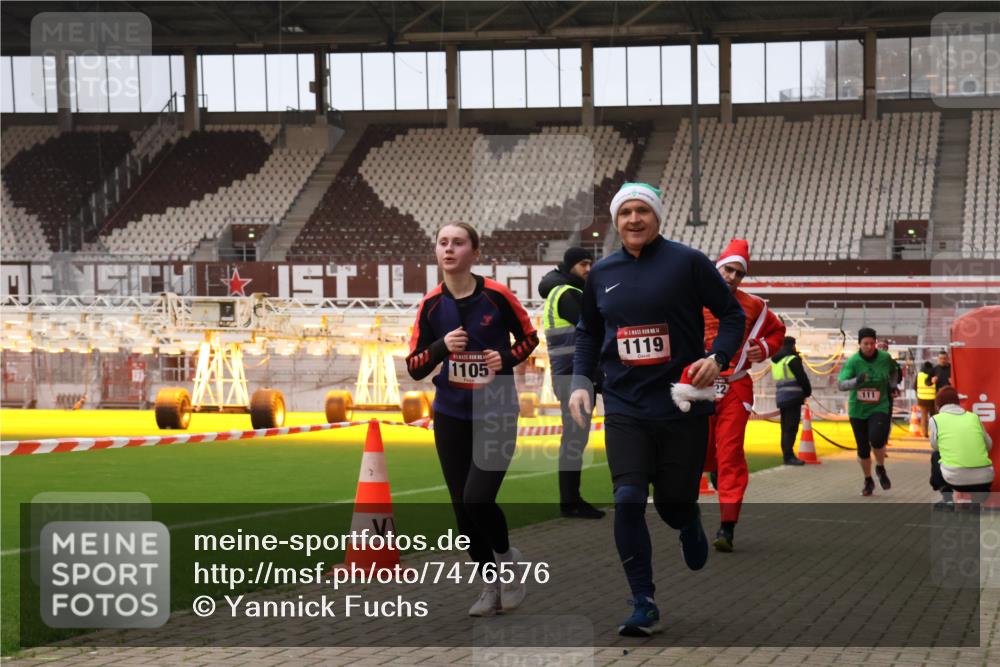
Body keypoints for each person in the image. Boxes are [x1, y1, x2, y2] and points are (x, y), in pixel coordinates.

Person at [567, 182, 745, 636]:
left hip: (679, 405)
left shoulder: (687, 262)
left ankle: (688, 522)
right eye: (624, 212)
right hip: (625, 405)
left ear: (657, 216)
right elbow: (588, 332)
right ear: (615, 220)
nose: (633, 219)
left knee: (670, 505)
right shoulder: (602, 273)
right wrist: (582, 381)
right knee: (627, 499)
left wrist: (717, 358)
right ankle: (643, 600)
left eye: (641, 210)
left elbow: (731, 316)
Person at [406, 222, 539, 617]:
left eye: (458, 243)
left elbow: (531, 338)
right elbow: (414, 367)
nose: (449, 249)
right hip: (450, 414)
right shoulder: (431, 305)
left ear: (475, 252)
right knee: (462, 510)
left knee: (478, 497)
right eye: (443, 243)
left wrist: (508, 359)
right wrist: (440, 346)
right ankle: (488, 584)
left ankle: (508, 562)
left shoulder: (497, 296)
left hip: (496, 409)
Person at [702, 239, 786, 553]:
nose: (732, 277)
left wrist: (763, 348)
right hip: (698, 388)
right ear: (717, 268)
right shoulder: (692, 298)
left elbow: (778, 331)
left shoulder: (754, 306)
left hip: (735, 387)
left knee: (731, 452)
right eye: (728, 269)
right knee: (701, 450)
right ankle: (713, 470)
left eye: (738, 273)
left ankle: (727, 525)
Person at [538, 246, 605, 519]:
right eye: (582, 264)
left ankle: (571, 500)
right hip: (572, 376)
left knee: (574, 439)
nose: (588, 269)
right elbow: (592, 328)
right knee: (574, 440)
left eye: (590, 263)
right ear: (569, 266)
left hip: (570, 375)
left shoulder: (566, 291)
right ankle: (570, 501)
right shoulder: (567, 294)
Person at [837, 327, 901, 496]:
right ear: (859, 344)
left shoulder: (885, 358)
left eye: (872, 343)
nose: (869, 346)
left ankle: (880, 467)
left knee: (877, 439)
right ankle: (868, 480)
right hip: (858, 410)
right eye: (866, 343)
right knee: (863, 449)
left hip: (879, 406)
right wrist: (856, 381)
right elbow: (841, 385)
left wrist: (893, 385)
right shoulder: (853, 362)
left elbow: (895, 371)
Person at [929, 385, 994, 509]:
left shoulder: (935, 420)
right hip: (984, 480)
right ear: (958, 403)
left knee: (936, 456)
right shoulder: (973, 417)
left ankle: (947, 500)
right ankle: (977, 502)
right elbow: (989, 445)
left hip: (955, 479)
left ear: (938, 405)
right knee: (978, 453)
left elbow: (935, 446)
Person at [771, 336, 813, 465]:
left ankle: (786, 455)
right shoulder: (792, 359)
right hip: (793, 397)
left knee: (785, 428)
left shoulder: (776, 360)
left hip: (781, 397)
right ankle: (789, 457)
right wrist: (807, 392)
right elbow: (802, 378)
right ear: (792, 345)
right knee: (791, 428)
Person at [916, 360, 937, 437]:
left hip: (922, 399)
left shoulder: (919, 375)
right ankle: (934, 433)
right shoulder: (933, 374)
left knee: (924, 417)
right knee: (934, 417)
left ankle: (924, 433)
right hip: (933, 398)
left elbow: (914, 386)